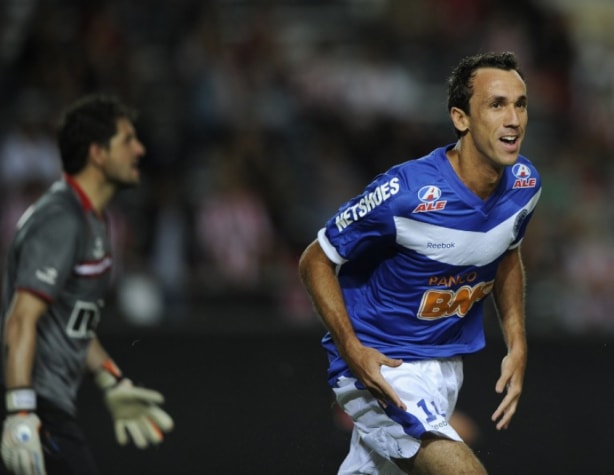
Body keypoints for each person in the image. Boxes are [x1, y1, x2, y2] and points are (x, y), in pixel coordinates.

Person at [298, 51, 541, 474]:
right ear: (461, 118)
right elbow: (315, 259)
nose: (514, 119)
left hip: (445, 367)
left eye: (520, 104)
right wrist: (352, 350)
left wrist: (516, 342)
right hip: (383, 365)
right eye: (496, 105)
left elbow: (506, 252)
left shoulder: (525, 184)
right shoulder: (405, 192)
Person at [0, 94, 174, 475]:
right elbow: (21, 318)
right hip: (32, 403)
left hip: (46, 403)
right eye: (127, 140)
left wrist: (112, 380)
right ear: (97, 153)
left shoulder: (92, 220)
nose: (140, 149)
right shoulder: (61, 219)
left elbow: (70, 321)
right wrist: (20, 410)